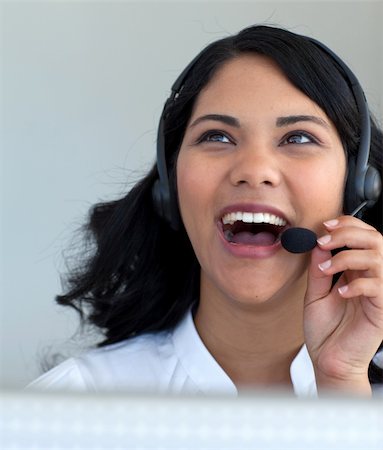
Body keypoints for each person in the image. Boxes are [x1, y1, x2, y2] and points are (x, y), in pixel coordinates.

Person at [29, 25, 383, 396]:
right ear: (170, 186)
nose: (253, 170)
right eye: (216, 136)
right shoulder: (78, 401)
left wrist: (342, 383)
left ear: (357, 187)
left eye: (298, 138)